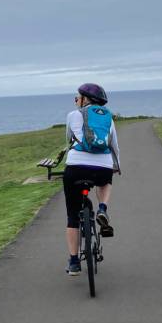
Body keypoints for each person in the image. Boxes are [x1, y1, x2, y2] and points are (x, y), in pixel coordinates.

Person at [62, 83, 121, 276]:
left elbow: (69, 139)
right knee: (105, 181)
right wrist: (116, 166)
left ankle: (73, 262)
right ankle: (102, 208)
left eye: (77, 97)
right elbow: (114, 145)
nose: (76, 100)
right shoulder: (108, 118)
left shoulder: (73, 115)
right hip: (102, 166)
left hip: (76, 167)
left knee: (72, 216)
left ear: (85, 99)